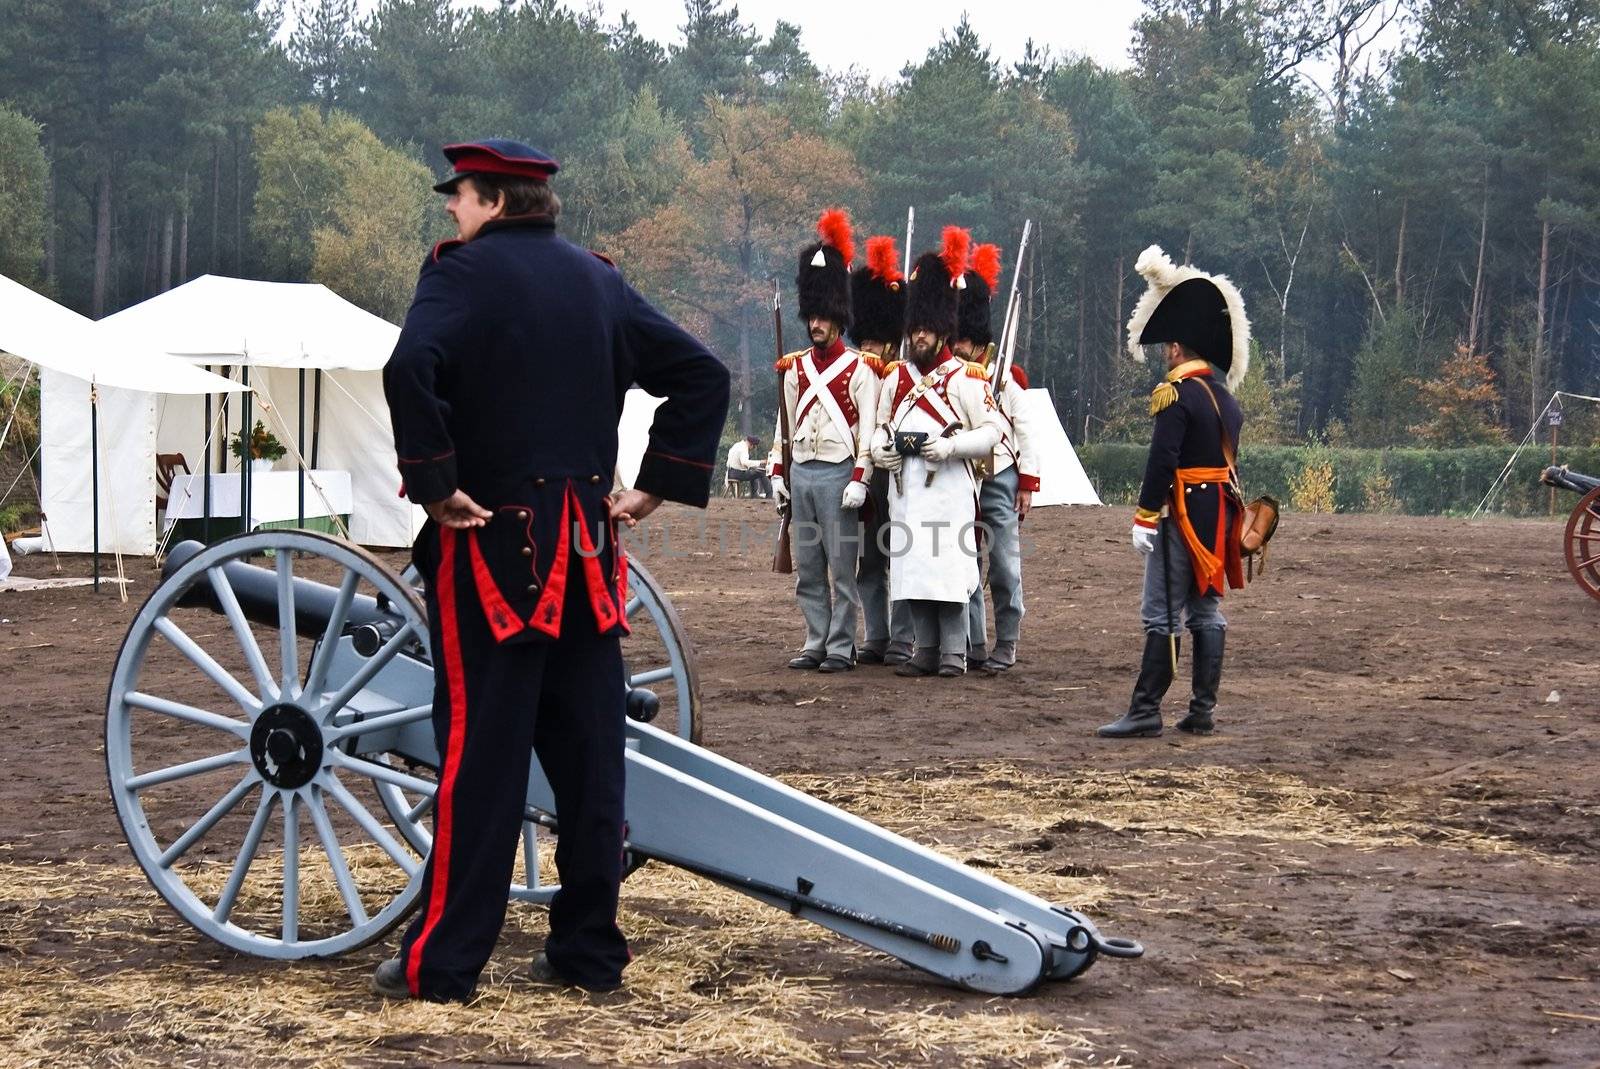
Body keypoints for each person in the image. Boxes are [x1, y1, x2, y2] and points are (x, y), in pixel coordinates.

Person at [375, 138, 729, 1001]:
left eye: (457, 196)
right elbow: (701, 373)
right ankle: (588, 954)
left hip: (492, 547)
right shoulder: (598, 279)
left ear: (493, 199)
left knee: (480, 762)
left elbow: (407, 366)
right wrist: (651, 487)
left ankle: (445, 963)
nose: (450, 209)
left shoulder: (458, 274)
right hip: (587, 557)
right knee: (590, 761)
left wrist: (436, 486)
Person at [1098, 244, 1246, 739]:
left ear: (1178, 348)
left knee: (1159, 611)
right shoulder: (1226, 399)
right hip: (1217, 514)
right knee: (1206, 608)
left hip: (1180, 515)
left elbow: (1162, 460)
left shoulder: (1176, 394)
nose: (1165, 355)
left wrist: (1144, 516)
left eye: (1168, 348)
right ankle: (1202, 710)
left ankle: (1145, 710)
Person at [870, 227, 1003, 678]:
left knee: (947, 575)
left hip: (947, 492)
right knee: (913, 576)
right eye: (915, 328)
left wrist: (949, 446)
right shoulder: (894, 379)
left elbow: (991, 433)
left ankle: (953, 652)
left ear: (943, 328)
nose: (919, 336)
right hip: (907, 492)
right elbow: (878, 430)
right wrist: (880, 451)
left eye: (926, 328)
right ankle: (923, 652)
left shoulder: (966, 378)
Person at [769, 210, 879, 673]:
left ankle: (841, 646)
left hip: (838, 475)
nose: (815, 324)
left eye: (823, 316)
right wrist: (777, 471)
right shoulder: (794, 368)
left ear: (838, 318)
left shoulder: (859, 369)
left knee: (841, 569)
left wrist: (861, 477)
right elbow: (785, 425)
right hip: (802, 473)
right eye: (811, 316)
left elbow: (868, 430)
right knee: (809, 569)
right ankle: (815, 640)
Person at [952, 243, 1040, 673]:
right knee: (965, 563)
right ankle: (973, 642)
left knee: (1004, 564)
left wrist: (1027, 483)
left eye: (965, 338)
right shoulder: (950, 374)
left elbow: (1026, 430)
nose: (960, 346)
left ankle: (1008, 640)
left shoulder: (1002, 375)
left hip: (1000, 476)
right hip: (961, 475)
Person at [846, 235, 904, 664]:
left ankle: (902, 638)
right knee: (867, 560)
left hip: (899, 474)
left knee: (900, 555)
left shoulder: (903, 375)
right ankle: (877, 635)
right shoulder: (852, 373)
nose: (868, 348)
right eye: (863, 339)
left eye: (875, 341)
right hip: (860, 474)